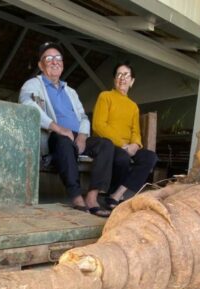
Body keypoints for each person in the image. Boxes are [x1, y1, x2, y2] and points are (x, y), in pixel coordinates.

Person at [19, 42, 113, 217]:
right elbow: (27, 105)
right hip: (53, 135)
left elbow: (84, 117)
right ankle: (77, 197)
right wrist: (57, 127)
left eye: (58, 58)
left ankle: (92, 198)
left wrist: (83, 136)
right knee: (63, 142)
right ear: (41, 65)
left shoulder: (71, 91)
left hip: (77, 135)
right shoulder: (32, 84)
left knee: (106, 144)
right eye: (49, 58)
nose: (55, 61)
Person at [92, 62, 158, 209]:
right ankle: (111, 193)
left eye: (126, 75)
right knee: (122, 157)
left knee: (150, 157)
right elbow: (99, 125)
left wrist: (135, 145)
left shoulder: (133, 106)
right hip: (110, 145)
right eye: (119, 75)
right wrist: (122, 145)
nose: (122, 78)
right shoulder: (105, 96)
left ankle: (117, 194)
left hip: (129, 146)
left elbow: (136, 131)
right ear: (114, 79)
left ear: (132, 81)